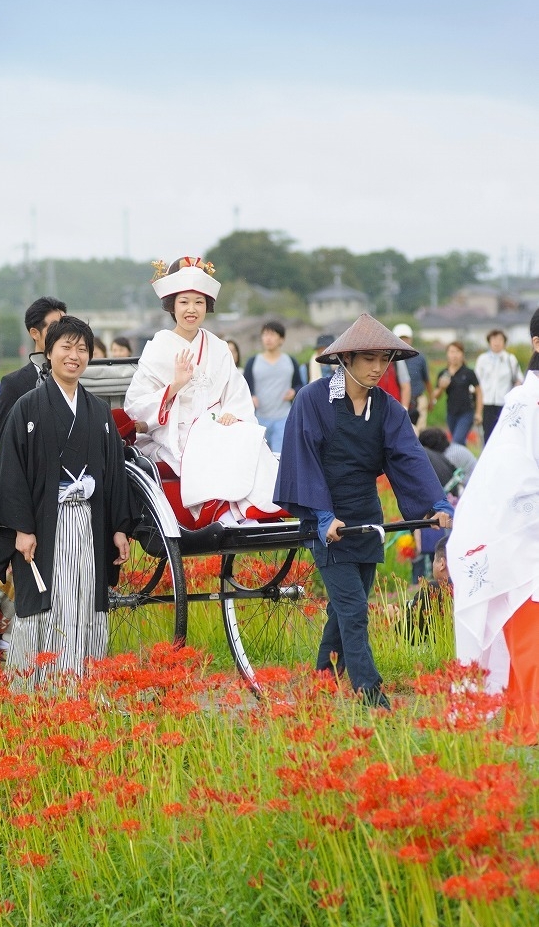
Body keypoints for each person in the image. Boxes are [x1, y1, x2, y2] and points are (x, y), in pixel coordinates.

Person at [275, 313, 453, 709]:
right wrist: (321, 516)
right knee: (355, 610)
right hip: (326, 517)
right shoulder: (313, 400)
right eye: (369, 359)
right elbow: (303, 460)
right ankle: (371, 694)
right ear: (346, 360)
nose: (378, 368)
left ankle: (321, 683)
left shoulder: (388, 407)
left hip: (366, 517)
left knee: (342, 612)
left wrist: (437, 503)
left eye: (384, 359)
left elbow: (408, 456)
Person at [0, 315, 133, 683]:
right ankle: (43, 687)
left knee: (86, 598)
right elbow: (11, 473)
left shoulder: (99, 411)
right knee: (48, 601)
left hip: (88, 520)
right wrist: (21, 528)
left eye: (82, 348)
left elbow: (113, 474)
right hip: (44, 522)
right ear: (48, 353)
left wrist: (119, 527)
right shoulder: (27, 407)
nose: (75, 355)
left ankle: (83, 686)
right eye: (66, 347)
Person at [124, 257, 279, 523]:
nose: (191, 309)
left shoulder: (218, 346)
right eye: (184, 302)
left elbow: (236, 391)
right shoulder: (158, 347)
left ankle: (252, 507)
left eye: (199, 302)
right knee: (207, 441)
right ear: (172, 305)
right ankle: (222, 511)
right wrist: (175, 386)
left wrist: (233, 413)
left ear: (208, 305)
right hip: (173, 430)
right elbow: (136, 406)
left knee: (245, 433)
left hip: (217, 421)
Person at [449, 309, 539, 729]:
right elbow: (511, 477)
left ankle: (524, 726)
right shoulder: (525, 400)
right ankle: (525, 725)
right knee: (527, 638)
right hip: (522, 536)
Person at [0, 296, 67, 447]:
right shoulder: (14, 384)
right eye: (55, 327)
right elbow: (3, 439)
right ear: (34, 333)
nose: (63, 333)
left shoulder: (81, 377)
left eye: (66, 326)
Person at [242, 320, 302, 452]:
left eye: (272, 335)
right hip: (259, 418)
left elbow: (299, 385)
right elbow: (244, 387)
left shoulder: (290, 361)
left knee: (279, 455)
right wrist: (251, 396)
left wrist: (294, 391)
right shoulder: (253, 362)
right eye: (265, 335)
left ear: (281, 339)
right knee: (261, 455)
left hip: (284, 417)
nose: (268, 338)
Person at [475, 328, 522, 441]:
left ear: (504, 342)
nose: (496, 342)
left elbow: (519, 379)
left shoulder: (510, 359)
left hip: (504, 402)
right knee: (488, 433)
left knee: (504, 433)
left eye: (500, 340)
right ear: (489, 342)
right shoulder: (483, 359)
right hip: (487, 402)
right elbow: (476, 380)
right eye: (494, 339)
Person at [432, 342, 482, 446]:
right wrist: (442, 388)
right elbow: (435, 395)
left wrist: (478, 413)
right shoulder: (444, 373)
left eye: (457, 352)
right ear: (447, 354)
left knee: (457, 441)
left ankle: (460, 460)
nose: (454, 355)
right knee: (459, 442)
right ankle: (464, 461)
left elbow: (479, 392)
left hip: (466, 412)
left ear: (462, 354)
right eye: (451, 352)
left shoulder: (468, 372)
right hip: (451, 413)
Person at [404, 535, 451, 641]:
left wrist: (395, 615)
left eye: (434, 560)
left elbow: (409, 633)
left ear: (442, 564)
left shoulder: (433, 589)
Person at [393, 323, 432, 428]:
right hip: (398, 402)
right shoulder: (391, 358)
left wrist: (431, 399)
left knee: (418, 431)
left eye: (406, 338)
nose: (404, 341)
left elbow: (426, 380)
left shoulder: (419, 357)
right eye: (401, 338)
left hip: (418, 400)